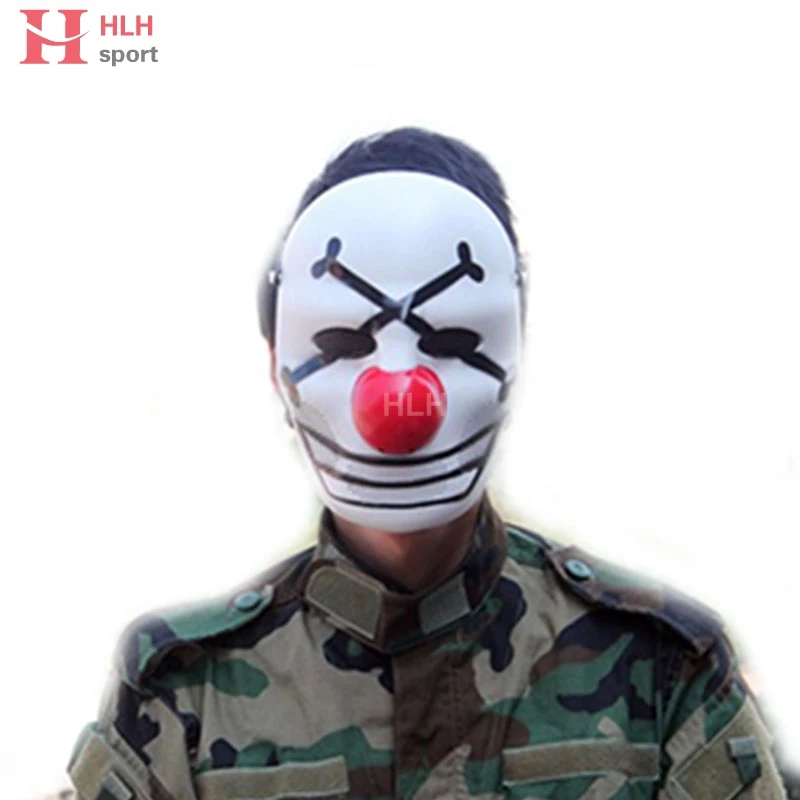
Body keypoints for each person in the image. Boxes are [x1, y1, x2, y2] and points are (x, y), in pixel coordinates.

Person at [68, 128, 788, 799]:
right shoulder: (181, 693)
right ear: (276, 363)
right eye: (343, 342)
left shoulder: (662, 670)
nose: (398, 398)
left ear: (512, 347)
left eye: (450, 340)